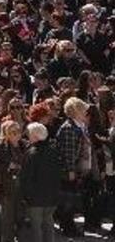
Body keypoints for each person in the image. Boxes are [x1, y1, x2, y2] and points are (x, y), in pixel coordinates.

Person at [54, 97, 89, 237]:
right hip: (67, 170)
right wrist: (71, 171)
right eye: (82, 109)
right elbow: (68, 153)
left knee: (71, 199)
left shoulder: (78, 125)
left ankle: (69, 225)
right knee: (68, 200)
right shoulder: (69, 128)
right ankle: (68, 228)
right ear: (75, 111)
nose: (85, 112)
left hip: (74, 169)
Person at [21, 122, 59, 242]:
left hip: (35, 198)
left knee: (36, 228)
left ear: (35, 136)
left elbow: (26, 177)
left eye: (29, 134)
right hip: (51, 196)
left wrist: (25, 195)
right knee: (48, 225)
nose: (28, 137)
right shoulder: (53, 151)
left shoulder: (31, 153)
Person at [0, 119, 24, 242]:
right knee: (7, 220)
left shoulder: (23, 144)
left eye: (18, 131)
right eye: (13, 132)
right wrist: (9, 166)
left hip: (21, 187)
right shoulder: (0, 146)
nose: (16, 134)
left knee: (21, 217)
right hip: (6, 187)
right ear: (6, 133)